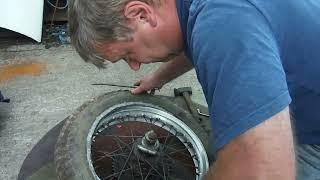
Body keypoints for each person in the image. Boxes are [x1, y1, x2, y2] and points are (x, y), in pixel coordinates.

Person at [67, 0, 320, 179]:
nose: (134, 66)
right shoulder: (196, 9)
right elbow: (193, 35)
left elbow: (264, 172)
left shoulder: (223, 22)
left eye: (128, 54)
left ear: (142, 14)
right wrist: (160, 77)